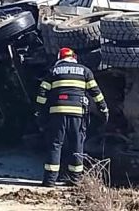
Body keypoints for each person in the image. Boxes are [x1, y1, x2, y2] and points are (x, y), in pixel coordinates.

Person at [35, 47, 109, 187]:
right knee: (77, 145)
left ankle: (50, 180)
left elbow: (42, 92)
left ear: (60, 58)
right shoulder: (85, 71)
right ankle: (75, 180)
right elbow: (96, 93)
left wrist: (39, 111)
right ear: (74, 58)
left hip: (57, 113)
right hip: (77, 114)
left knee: (55, 145)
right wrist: (103, 108)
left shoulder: (53, 71)